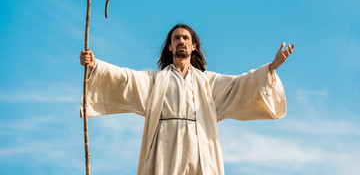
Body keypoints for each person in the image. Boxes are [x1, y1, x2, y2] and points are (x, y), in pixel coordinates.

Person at [80, 23, 294, 175]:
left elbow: (240, 85)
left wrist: (271, 67)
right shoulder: (155, 80)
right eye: (176, 38)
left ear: (193, 47)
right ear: (170, 47)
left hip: (198, 150)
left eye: (185, 38)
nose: (180, 41)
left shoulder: (208, 82)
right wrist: (96, 65)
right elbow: (126, 79)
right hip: (164, 150)